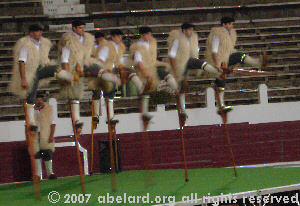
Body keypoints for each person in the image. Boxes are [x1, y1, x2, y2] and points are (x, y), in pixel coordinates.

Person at [8, 24, 76, 131]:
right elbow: (21, 62)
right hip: (30, 72)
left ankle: (68, 77)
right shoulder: (26, 45)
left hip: (41, 68)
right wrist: (24, 79)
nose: (39, 33)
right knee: (31, 94)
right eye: (37, 31)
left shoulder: (43, 43)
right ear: (31, 33)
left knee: (55, 68)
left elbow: (45, 59)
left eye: (40, 31)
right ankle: (31, 121)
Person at [58, 20, 120, 130]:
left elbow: (91, 54)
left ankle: (110, 114)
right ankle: (77, 119)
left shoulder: (87, 39)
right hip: (74, 66)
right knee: (74, 90)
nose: (82, 30)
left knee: (101, 73)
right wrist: (67, 74)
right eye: (80, 28)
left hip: (87, 63)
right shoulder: (69, 40)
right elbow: (64, 59)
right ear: (74, 28)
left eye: (83, 28)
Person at [204, 16, 267, 114]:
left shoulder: (231, 35)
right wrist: (217, 64)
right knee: (238, 57)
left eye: (232, 24)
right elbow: (214, 51)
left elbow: (230, 51)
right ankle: (257, 63)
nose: (231, 26)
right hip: (217, 61)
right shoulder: (217, 34)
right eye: (229, 24)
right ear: (223, 24)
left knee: (221, 79)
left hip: (225, 60)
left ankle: (221, 105)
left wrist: (233, 66)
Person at [168, 22, 226, 117]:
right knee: (183, 87)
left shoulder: (193, 39)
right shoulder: (177, 40)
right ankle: (183, 110)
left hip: (189, 63)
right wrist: (175, 71)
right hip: (180, 64)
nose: (191, 32)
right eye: (189, 30)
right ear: (184, 30)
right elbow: (171, 56)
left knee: (196, 61)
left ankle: (217, 71)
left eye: (192, 30)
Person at [93, 29, 144, 124]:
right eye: (118, 36)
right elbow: (101, 60)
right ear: (113, 37)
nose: (120, 39)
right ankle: (105, 115)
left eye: (121, 37)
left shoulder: (118, 47)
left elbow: (118, 61)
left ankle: (141, 88)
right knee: (106, 91)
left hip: (113, 70)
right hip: (105, 71)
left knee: (112, 90)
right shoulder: (106, 47)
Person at [129, 26, 179, 121]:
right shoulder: (138, 46)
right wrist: (144, 71)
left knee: (166, 74)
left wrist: (162, 64)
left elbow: (153, 59)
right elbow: (138, 61)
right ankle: (145, 113)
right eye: (147, 34)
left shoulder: (151, 43)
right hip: (145, 70)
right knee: (145, 91)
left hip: (152, 67)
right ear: (142, 35)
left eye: (149, 34)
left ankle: (177, 89)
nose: (149, 36)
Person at [33, 93, 57, 180]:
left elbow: (53, 123)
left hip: (45, 134)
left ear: (42, 100)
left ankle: (50, 173)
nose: (39, 101)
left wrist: (51, 135)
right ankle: (38, 175)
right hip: (35, 135)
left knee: (47, 153)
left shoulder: (48, 109)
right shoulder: (31, 110)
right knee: (36, 154)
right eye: (37, 99)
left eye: (40, 99)